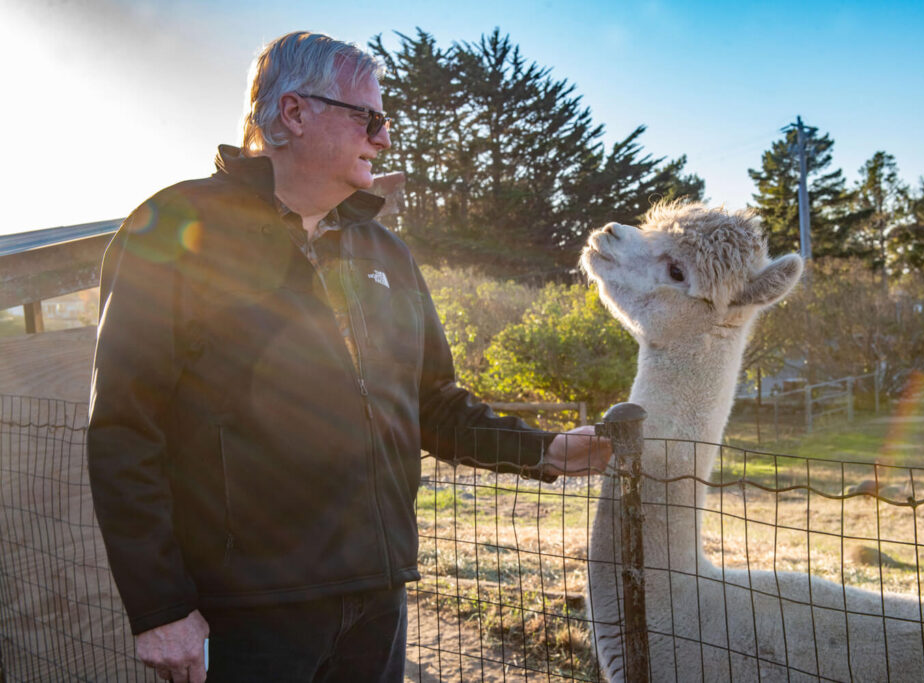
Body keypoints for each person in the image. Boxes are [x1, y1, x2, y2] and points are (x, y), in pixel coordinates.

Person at [86, 31, 610, 683]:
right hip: (245, 610)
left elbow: (432, 402)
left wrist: (545, 451)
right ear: (294, 114)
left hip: (377, 596)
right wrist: (160, 606)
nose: (384, 138)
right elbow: (123, 428)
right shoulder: (173, 227)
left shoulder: (385, 251)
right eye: (369, 118)